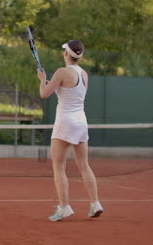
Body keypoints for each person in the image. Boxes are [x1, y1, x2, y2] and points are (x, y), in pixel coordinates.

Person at [37, 40, 103, 221]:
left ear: (66, 53)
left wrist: (43, 80)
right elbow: (71, 94)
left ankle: (64, 207)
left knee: (58, 166)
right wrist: (55, 85)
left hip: (65, 122)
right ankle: (95, 203)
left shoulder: (61, 72)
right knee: (84, 165)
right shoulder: (84, 74)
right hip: (81, 121)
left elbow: (44, 93)